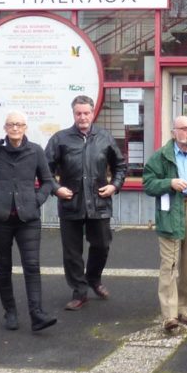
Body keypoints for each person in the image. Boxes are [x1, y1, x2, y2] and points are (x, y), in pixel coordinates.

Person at [0, 111, 58, 332]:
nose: (15, 128)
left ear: (25, 128)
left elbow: (48, 182)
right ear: (5, 127)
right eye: (11, 124)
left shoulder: (35, 151)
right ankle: (10, 312)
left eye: (19, 125)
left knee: (32, 266)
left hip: (27, 218)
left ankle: (37, 313)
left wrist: (36, 200)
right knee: (4, 267)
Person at [45, 95, 127, 311]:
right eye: (78, 113)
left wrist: (114, 186)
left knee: (101, 245)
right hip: (71, 203)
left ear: (93, 113)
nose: (82, 117)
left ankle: (93, 278)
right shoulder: (60, 139)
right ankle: (80, 292)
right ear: (73, 114)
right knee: (72, 252)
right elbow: (45, 170)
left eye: (86, 113)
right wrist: (56, 188)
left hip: (99, 202)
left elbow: (120, 165)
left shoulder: (104, 137)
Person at [143, 115, 187, 334]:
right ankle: (170, 315)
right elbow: (148, 183)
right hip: (171, 210)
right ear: (174, 132)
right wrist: (169, 183)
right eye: (184, 128)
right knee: (169, 265)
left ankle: (185, 309)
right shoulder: (162, 157)